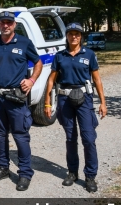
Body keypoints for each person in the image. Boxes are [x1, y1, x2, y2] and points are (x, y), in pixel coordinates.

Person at [0, 11, 43, 191]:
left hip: (15, 98)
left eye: (9, 22)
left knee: (20, 136)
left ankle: (25, 173)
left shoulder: (24, 43)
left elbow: (38, 63)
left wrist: (31, 81)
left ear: (14, 25)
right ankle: (3, 167)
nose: (6, 25)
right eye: (2, 22)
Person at [44, 22, 107, 192]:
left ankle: (90, 176)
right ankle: (72, 172)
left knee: (88, 138)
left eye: (77, 34)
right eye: (71, 33)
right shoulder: (60, 56)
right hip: (65, 100)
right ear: (67, 36)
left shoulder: (89, 54)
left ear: (81, 37)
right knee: (71, 138)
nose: (74, 36)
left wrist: (103, 102)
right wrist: (47, 102)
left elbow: (97, 79)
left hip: (84, 100)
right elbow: (51, 80)